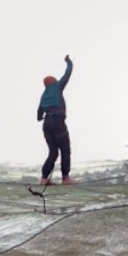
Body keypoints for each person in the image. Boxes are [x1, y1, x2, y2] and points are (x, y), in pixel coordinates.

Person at [37, 55, 76, 186]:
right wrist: (69, 62)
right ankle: (65, 178)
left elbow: (38, 115)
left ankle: (44, 179)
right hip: (57, 122)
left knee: (53, 152)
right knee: (65, 149)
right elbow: (67, 74)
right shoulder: (57, 86)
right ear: (54, 81)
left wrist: (42, 117)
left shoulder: (43, 95)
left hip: (46, 124)